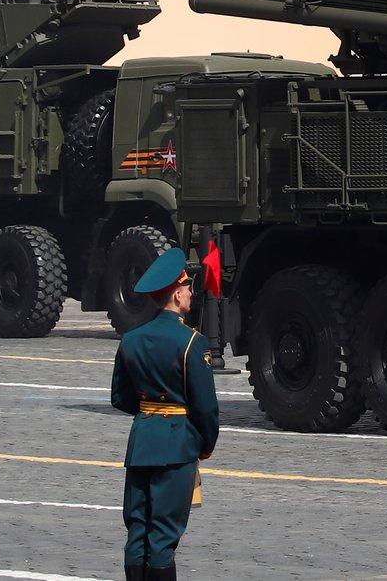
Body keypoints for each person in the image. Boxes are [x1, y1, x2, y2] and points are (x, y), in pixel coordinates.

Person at [111, 247, 219, 581]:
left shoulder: (131, 340)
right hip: (177, 447)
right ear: (175, 294)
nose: (190, 293)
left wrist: (149, 414)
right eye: (186, 287)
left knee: (137, 530)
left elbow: (120, 397)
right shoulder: (191, 343)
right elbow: (205, 407)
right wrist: (204, 443)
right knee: (163, 536)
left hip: (142, 442)